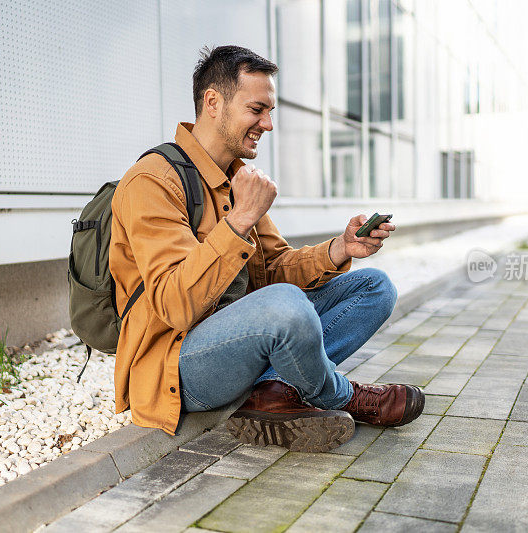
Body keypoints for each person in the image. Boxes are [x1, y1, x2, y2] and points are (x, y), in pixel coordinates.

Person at [109, 45, 424, 453]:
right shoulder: (151, 181)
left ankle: (270, 392)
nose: (268, 124)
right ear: (213, 103)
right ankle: (343, 396)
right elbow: (174, 305)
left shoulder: (236, 177)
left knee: (375, 288)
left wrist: (340, 249)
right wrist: (238, 221)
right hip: (179, 366)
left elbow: (273, 268)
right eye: (257, 110)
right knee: (284, 307)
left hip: (246, 343)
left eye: (269, 111)